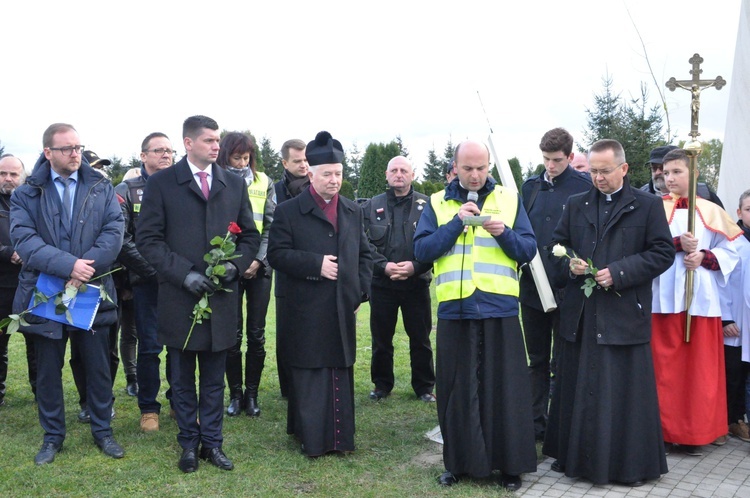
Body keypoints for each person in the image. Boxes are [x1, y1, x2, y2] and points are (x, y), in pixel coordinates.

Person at [543, 139, 674, 486]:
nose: (598, 178)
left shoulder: (647, 206)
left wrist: (620, 272)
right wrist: (569, 264)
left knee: (620, 392)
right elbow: (558, 245)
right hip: (582, 316)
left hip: (623, 314)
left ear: (624, 169)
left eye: (604, 171)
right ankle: (573, 458)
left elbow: (662, 253)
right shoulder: (576, 203)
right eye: (594, 171)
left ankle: (625, 465)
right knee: (577, 385)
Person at [137, 116, 259, 473]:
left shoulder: (232, 184)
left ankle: (213, 444)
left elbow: (249, 236)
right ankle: (188, 443)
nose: (216, 146)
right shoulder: (162, 184)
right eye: (208, 140)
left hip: (220, 297)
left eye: (217, 140)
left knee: (213, 377)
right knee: (181, 378)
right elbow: (148, 239)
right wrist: (182, 273)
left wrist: (236, 268)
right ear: (188, 143)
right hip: (179, 296)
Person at [414, 139, 537, 491]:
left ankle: (510, 467)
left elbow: (528, 250)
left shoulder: (509, 200)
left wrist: (503, 233)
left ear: (489, 167)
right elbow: (422, 250)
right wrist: (456, 223)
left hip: (499, 307)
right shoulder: (437, 203)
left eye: (481, 168)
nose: (475, 175)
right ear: (455, 168)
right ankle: (458, 463)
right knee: (456, 389)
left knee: (505, 389)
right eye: (467, 168)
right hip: (456, 308)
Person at [11, 123, 125, 464]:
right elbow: (25, 241)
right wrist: (69, 266)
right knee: (47, 368)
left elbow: (114, 230)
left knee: (97, 366)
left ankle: (103, 430)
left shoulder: (100, 187)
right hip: (45, 292)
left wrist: (83, 269)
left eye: (78, 147)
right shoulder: (26, 193)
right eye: (66, 149)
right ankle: (52, 436)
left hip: (90, 290)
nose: (75, 153)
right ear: (48, 152)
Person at [268, 131, 372, 457]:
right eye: (326, 174)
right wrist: (316, 264)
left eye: (338, 174)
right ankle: (312, 439)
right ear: (310, 173)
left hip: (341, 307)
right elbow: (277, 254)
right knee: (310, 372)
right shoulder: (288, 211)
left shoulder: (354, 212)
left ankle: (340, 440)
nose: (334, 180)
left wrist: (358, 294)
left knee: (339, 369)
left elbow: (366, 256)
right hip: (305, 309)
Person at [651, 147, 741, 456]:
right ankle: (661, 430)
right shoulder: (653, 207)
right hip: (662, 296)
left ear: (695, 174)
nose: (670, 178)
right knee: (663, 367)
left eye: (677, 172)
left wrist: (704, 256)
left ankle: (694, 431)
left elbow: (734, 251)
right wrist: (676, 244)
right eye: (666, 172)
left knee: (697, 371)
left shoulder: (711, 210)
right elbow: (642, 245)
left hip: (699, 299)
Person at [520, 128, 591, 441]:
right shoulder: (530, 187)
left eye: (557, 160)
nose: (550, 165)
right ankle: (536, 422)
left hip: (568, 289)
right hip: (532, 288)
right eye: (546, 159)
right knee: (536, 359)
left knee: (564, 361)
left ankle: (563, 424)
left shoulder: (584, 188)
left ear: (571, 157)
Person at [363, 155, 435, 402]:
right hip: (382, 285)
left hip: (416, 284)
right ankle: (382, 385)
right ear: (386, 175)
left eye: (404, 170)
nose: (399, 174)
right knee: (381, 340)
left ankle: (424, 388)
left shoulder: (428, 206)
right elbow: (363, 243)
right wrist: (384, 267)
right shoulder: (372, 205)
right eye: (393, 170)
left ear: (412, 175)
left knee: (421, 339)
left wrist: (415, 267)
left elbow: (434, 245)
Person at [116, 132, 175, 432]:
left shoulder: (182, 186)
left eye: (169, 150)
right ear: (143, 156)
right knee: (150, 347)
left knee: (181, 345)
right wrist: (155, 270)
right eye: (158, 150)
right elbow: (122, 239)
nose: (166, 155)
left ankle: (179, 401)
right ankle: (149, 408)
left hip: (179, 281)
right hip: (147, 281)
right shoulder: (126, 189)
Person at [218, 132, 275, 417]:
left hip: (260, 267)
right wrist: (237, 263)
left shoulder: (264, 181)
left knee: (256, 333)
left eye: (246, 157)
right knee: (232, 333)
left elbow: (270, 225)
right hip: (228, 267)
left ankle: (252, 394)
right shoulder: (217, 180)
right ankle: (235, 394)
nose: (241, 163)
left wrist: (258, 260)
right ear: (225, 156)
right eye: (236, 157)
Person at [71, 150, 123, 423]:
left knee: (108, 351)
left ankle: (105, 400)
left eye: (103, 167)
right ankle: (85, 401)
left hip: (107, 284)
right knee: (80, 351)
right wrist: (75, 269)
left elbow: (114, 237)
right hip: (75, 284)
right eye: (95, 167)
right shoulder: (75, 199)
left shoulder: (109, 195)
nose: (100, 171)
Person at [273, 138, 310, 398]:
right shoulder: (275, 190)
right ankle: (289, 388)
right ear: (285, 162)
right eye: (298, 161)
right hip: (285, 270)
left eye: (307, 160)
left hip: (315, 266)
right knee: (286, 332)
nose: (304, 165)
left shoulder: (317, 185)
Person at [0, 155, 36, 406]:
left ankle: (40, 391)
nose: (8, 179)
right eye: (3, 173)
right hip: (1, 284)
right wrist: (6, 252)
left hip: (31, 284)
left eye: (13, 174)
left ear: (23, 176)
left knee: (36, 343)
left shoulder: (33, 202)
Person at [718, 189, 750, 444]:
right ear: (738, 212)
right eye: (748, 209)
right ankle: (731, 419)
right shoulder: (733, 243)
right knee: (733, 373)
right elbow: (721, 282)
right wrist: (726, 318)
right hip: (737, 321)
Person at [640, 145, 724, 207]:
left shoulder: (705, 194)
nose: (657, 172)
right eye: (654, 168)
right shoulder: (642, 195)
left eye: (661, 168)